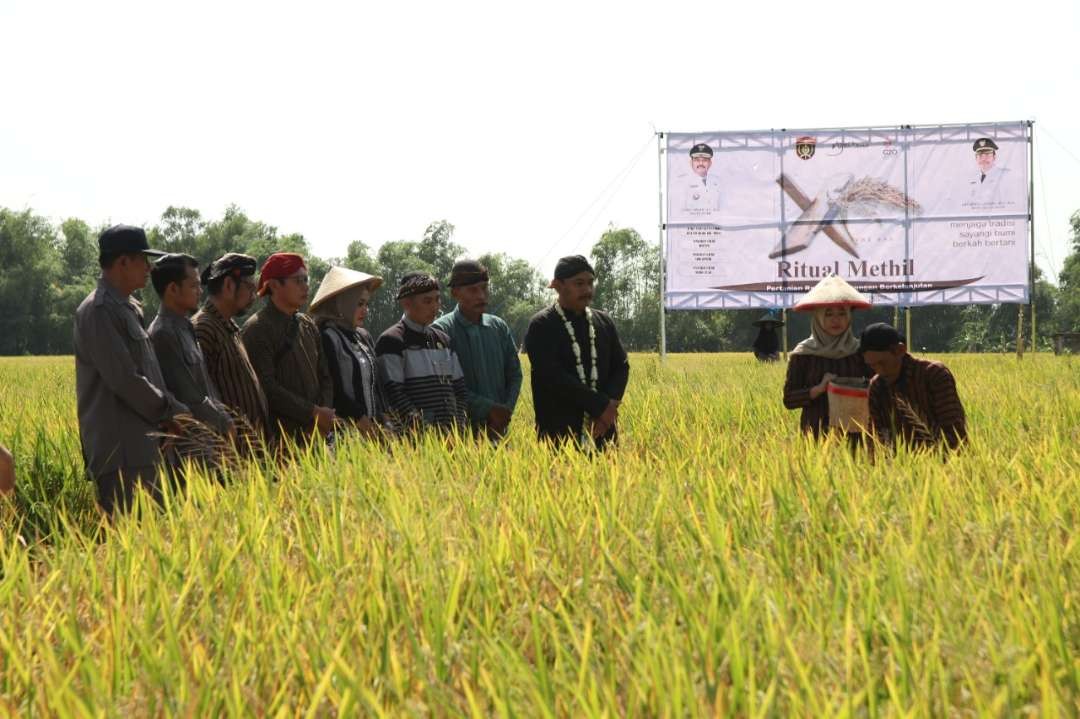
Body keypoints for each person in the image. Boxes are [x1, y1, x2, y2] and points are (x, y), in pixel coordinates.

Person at [74, 225, 189, 515]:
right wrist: (169, 411)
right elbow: (124, 379)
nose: (149, 268)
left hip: (145, 449)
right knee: (134, 547)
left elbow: (148, 373)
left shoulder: (128, 308)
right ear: (123, 262)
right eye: (143, 260)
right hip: (123, 454)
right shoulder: (98, 310)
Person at [524, 255, 630, 449]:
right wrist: (600, 407)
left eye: (590, 283)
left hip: (603, 430)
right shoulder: (542, 325)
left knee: (611, 478)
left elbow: (621, 366)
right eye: (579, 283)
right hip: (559, 434)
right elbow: (552, 376)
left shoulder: (604, 322)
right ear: (557, 285)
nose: (587, 290)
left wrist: (610, 408)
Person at [241, 253, 334, 443]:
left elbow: (325, 375)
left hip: (317, 434)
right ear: (274, 285)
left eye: (306, 279)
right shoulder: (258, 328)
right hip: (281, 439)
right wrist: (312, 413)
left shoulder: (307, 324)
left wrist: (322, 415)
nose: (306, 286)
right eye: (298, 280)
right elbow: (266, 387)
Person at [432, 259, 523, 439]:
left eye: (484, 288)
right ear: (455, 293)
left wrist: (505, 412)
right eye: (473, 290)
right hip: (458, 435)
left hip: (499, 431)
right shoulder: (440, 331)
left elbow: (515, 374)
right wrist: (488, 409)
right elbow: (444, 385)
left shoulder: (499, 327)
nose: (482, 296)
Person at [148, 254, 234, 438]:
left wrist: (225, 419)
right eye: (194, 285)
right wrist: (224, 423)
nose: (200, 291)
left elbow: (206, 386)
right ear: (173, 289)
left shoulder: (186, 326)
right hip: (192, 441)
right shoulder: (163, 333)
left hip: (212, 435)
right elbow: (188, 395)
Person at [375, 271, 468, 434]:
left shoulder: (444, 340)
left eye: (437, 299)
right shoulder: (392, 341)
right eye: (427, 301)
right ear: (406, 303)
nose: (435, 306)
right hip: (413, 442)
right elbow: (395, 394)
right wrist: (427, 432)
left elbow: (460, 390)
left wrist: (458, 428)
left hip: (452, 439)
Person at [782, 275, 873, 437]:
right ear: (817, 317)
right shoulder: (803, 353)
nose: (836, 320)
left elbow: (879, 387)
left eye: (842, 314)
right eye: (829, 314)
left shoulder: (861, 351)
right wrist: (818, 389)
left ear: (849, 317)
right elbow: (789, 399)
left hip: (856, 432)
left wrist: (859, 386)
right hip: (815, 432)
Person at [193, 253, 270, 436]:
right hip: (229, 452)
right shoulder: (203, 328)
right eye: (250, 287)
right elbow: (201, 397)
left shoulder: (229, 327)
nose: (254, 295)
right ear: (228, 286)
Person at [309, 266, 391, 438]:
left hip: (373, 429)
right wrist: (360, 420)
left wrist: (385, 420)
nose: (365, 310)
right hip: (343, 431)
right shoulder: (327, 337)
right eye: (359, 304)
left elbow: (377, 384)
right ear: (342, 304)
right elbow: (334, 388)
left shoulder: (363, 336)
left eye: (366, 304)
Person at [860, 323, 967, 451]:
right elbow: (876, 436)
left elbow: (954, 433)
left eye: (882, 363)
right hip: (899, 466)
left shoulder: (934, 374)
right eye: (872, 366)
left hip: (945, 462)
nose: (879, 371)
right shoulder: (876, 386)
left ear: (900, 350)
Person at [672, 143, 722, 218]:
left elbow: (723, 209)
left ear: (710, 163)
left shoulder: (718, 181)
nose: (701, 163)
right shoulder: (681, 183)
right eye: (697, 160)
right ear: (691, 163)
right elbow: (677, 214)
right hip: (692, 227)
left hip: (714, 226)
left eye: (705, 160)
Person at [967, 137, 1009, 206]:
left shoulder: (1006, 176)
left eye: (987, 155)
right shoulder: (970, 178)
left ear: (994, 157)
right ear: (976, 158)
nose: (983, 159)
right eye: (980, 155)